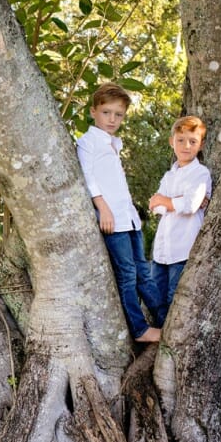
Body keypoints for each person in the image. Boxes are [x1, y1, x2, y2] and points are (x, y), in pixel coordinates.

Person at [77, 83, 161, 343]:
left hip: (130, 218)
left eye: (118, 114)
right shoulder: (88, 142)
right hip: (112, 219)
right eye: (106, 112)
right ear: (93, 112)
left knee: (143, 272)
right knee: (126, 274)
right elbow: (89, 178)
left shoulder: (114, 143)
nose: (112, 119)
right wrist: (103, 209)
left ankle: (165, 320)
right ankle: (139, 329)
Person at [147, 115, 212, 326]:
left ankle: (170, 341)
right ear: (172, 141)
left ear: (200, 145)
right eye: (181, 140)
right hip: (162, 250)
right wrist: (172, 202)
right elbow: (155, 206)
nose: (186, 146)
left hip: (183, 249)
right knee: (155, 298)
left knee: (174, 298)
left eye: (193, 141)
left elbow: (191, 205)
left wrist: (167, 201)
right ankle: (159, 334)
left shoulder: (200, 173)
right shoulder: (169, 175)